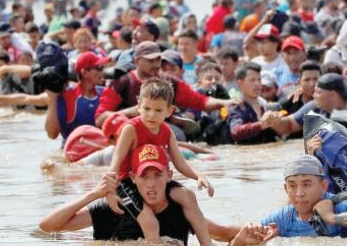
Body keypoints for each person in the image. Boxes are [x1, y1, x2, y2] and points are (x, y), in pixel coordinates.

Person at [38, 145, 212, 246]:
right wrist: (93, 194)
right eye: (144, 176)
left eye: (157, 175)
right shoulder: (116, 207)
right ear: (133, 178)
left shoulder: (183, 208)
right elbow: (48, 225)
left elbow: (220, 234)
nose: (151, 184)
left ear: (169, 175)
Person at [227, 155, 347, 246]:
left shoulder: (337, 206)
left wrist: (331, 218)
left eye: (307, 184)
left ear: (323, 186)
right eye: (292, 186)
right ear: (286, 189)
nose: (299, 193)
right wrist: (240, 242)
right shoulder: (284, 218)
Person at [106, 78, 213, 194]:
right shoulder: (130, 129)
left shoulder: (167, 132)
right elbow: (117, 158)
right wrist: (109, 189)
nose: (151, 115)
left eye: (158, 110)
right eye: (147, 108)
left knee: (187, 195)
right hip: (128, 182)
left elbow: (180, 163)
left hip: (155, 182)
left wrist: (199, 176)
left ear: (169, 111)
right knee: (146, 213)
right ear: (139, 107)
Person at [94, 41, 227, 127]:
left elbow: (201, 101)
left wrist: (226, 103)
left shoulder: (170, 82)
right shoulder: (121, 83)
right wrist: (130, 112)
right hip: (127, 132)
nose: (156, 65)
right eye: (151, 61)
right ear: (137, 61)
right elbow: (100, 119)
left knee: (177, 134)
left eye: (158, 60)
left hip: (163, 133)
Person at [265, 73, 347, 136]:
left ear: (333, 94)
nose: (314, 96)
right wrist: (276, 121)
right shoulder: (313, 109)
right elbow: (289, 125)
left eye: (318, 92)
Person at [45, 51, 106, 143]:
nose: (102, 72)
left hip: (101, 148)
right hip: (73, 152)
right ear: (84, 73)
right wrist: (52, 99)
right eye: (99, 68)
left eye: (102, 67)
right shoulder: (66, 96)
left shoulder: (105, 93)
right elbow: (52, 134)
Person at [228, 63, 280, 144]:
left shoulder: (265, 105)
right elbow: (235, 132)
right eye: (252, 80)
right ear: (240, 83)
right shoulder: (237, 107)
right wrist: (261, 125)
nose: (257, 84)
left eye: (259, 80)